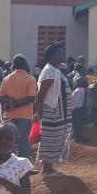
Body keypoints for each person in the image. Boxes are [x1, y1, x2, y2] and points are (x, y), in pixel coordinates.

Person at [33, 43, 72, 175]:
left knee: (55, 138)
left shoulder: (55, 69)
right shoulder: (50, 71)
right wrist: (38, 111)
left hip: (59, 112)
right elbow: (41, 92)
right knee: (50, 138)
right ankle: (47, 169)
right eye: (60, 53)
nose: (63, 55)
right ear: (53, 56)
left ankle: (49, 168)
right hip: (53, 112)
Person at [0, 55, 37, 157]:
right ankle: (23, 167)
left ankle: (10, 166)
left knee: (10, 143)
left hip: (9, 116)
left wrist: (11, 103)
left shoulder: (7, 78)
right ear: (25, 65)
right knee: (23, 142)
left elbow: (0, 97)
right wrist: (16, 104)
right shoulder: (30, 79)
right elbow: (31, 98)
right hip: (25, 116)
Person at [71, 77, 88, 144]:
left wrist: (72, 110)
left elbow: (74, 102)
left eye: (76, 81)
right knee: (79, 125)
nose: (75, 82)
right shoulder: (82, 89)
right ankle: (81, 138)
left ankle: (78, 139)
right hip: (79, 108)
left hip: (76, 109)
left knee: (76, 125)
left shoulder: (78, 90)